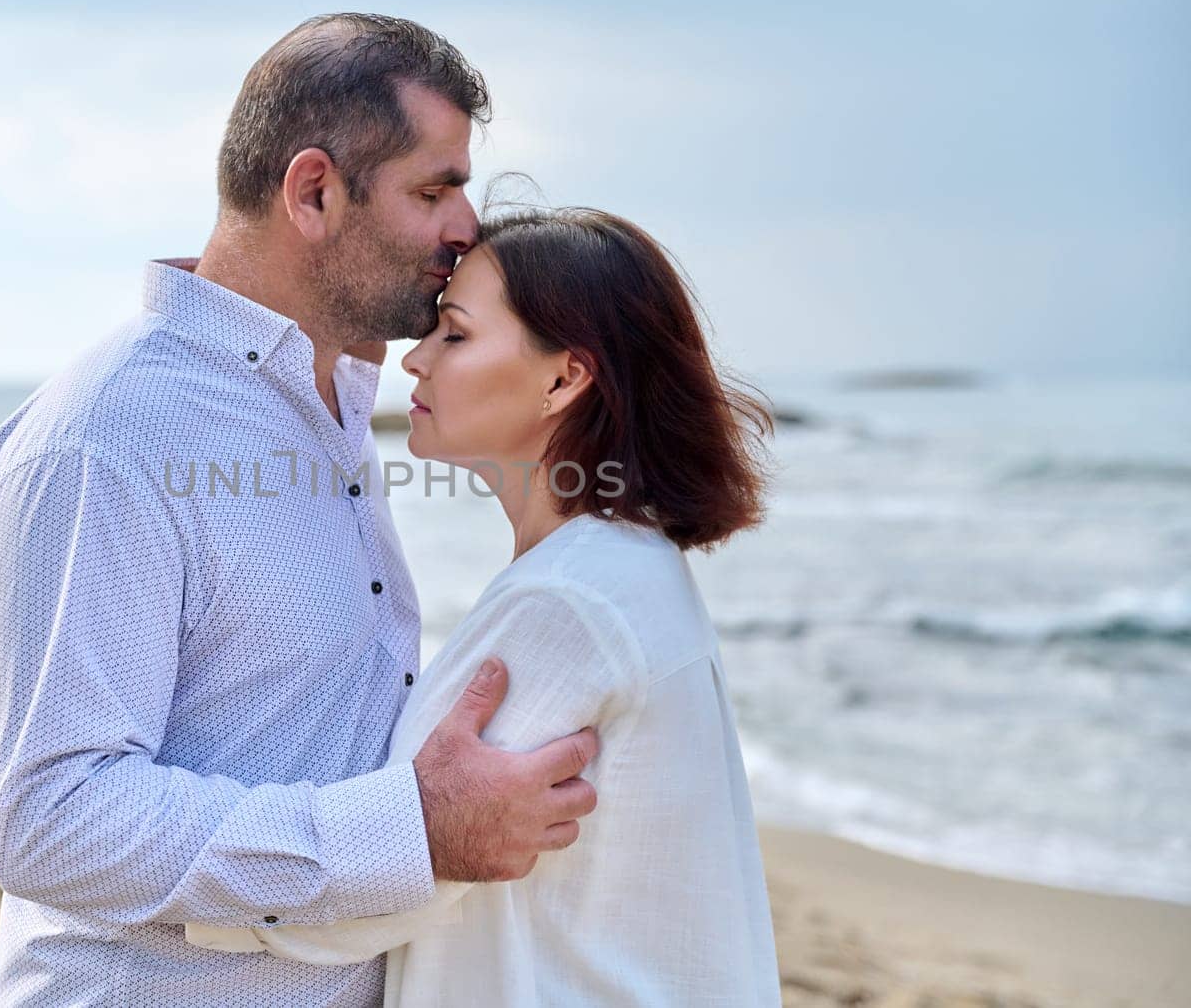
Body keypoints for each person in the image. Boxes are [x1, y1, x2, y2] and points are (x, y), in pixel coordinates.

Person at [0, 14, 600, 1006]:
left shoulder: (332, 397)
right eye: (432, 190)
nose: (464, 227)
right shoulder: (104, 439)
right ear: (313, 191)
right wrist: (410, 828)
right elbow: (55, 817)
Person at [186, 207, 784, 1005]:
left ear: (565, 377)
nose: (416, 360)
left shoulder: (570, 599)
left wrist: (158, 888)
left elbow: (384, 879)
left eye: (456, 335)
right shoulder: (617, 566)